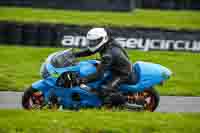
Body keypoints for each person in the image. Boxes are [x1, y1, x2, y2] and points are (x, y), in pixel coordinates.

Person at [74, 28, 137, 105]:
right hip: (114, 66)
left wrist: (81, 80)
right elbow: (90, 51)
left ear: (103, 39)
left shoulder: (108, 55)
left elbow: (98, 75)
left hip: (122, 73)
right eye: (90, 41)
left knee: (103, 89)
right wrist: (74, 54)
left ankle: (125, 101)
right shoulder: (106, 43)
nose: (92, 43)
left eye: (94, 41)